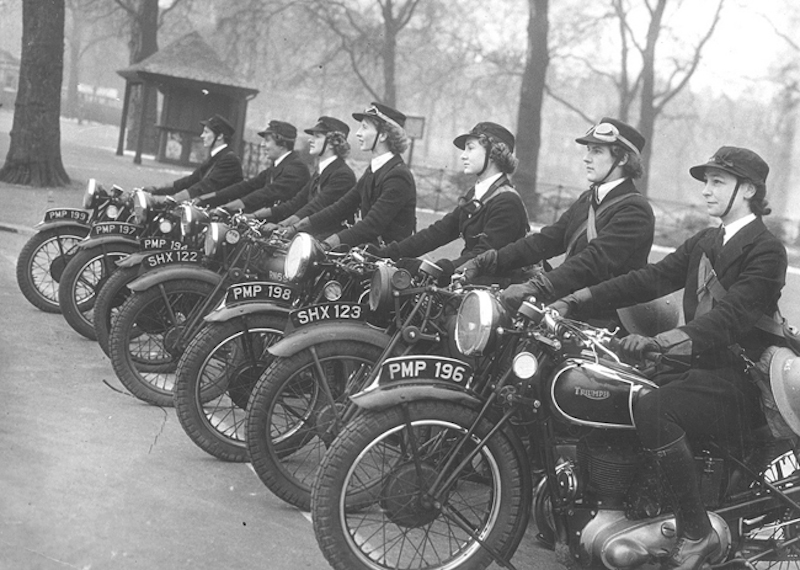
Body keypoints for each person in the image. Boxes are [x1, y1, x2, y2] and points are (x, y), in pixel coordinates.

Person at [553, 146, 787, 570]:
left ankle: (695, 531)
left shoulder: (766, 250)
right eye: (706, 181)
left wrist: (663, 341)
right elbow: (652, 278)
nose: (707, 190)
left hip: (738, 379)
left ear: (749, 189)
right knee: (617, 388)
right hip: (699, 369)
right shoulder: (707, 240)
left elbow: (730, 319)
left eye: (719, 182)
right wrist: (577, 299)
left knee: (655, 407)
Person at [461, 118, 655, 326]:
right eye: (588, 150)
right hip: (567, 309)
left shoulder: (635, 210)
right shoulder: (589, 199)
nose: (586, 158)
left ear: (623, 158)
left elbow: (594, 261)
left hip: (602, 322)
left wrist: (537, 286)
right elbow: (546, 241)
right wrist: (488, 260)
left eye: (596, 151)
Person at [374, 122, 529, 282]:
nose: (463, 155)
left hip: (490, 294)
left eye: (470, 148)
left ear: (492, 154)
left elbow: (483, 256)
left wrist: (439, 269)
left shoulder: (507, 201)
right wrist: (388, 253)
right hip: (467, 281)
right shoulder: (477, 193)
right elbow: (439, 232)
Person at [285, 102, 416, 249]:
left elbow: (371, 225)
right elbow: (341, 207)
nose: (358, 133)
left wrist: (326, 244)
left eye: (365, 127)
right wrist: (294, 227)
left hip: (388, 262)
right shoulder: (375, 169)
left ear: (383, 135)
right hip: (368, 254)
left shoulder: (398, 176)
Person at [253, 116, 356, 239]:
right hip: (308, 234)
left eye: (317, 137)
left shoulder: (343, 175)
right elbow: (296, 202)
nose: (310, 140)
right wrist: (258, 217)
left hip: (327, 242)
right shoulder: (321, 171)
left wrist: (289, 227)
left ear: (332, 143)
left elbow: (316, 207)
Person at [198, 120, 310, 212]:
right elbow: (247, 186)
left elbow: (266, 193)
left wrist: (227, 208)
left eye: (267, 141)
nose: (262, 145)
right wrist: (205, 198)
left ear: (283, 145)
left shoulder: (296, 169)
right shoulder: (276, 167)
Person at [145, 115, 243, 201]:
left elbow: (205, 187)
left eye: (206, 132)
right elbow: (190, 180)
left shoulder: (230, 160)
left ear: (220, 136)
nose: (202, 135)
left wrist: (175, 198)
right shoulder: (216, 156)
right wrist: (156, 189)